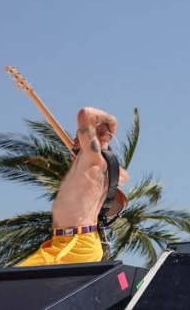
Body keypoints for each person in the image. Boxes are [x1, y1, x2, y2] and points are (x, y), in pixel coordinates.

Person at [18, 107, 129, 266]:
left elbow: (85, 113)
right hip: (65, 242)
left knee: (7, 286)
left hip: (76, 243)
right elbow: (122, 175)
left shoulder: (95, 160)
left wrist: (110, 121)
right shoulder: (95, 165)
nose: (75, 138)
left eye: (82, 135)